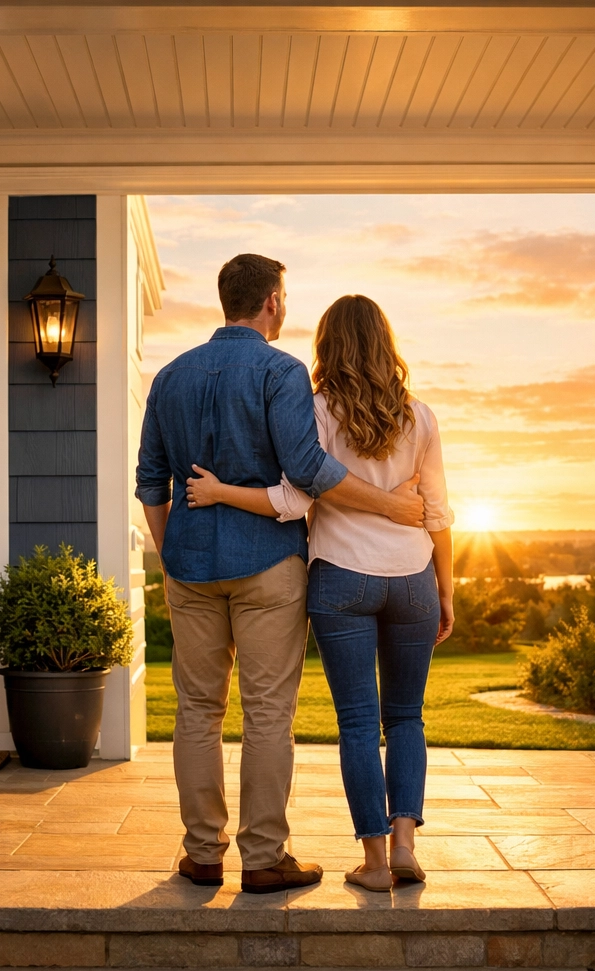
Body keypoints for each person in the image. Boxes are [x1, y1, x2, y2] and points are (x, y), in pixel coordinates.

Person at [136, 256, 426, 895]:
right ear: (271, 301)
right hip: (270, 564)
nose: (286, 305)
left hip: (190, 567)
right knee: (268, 712)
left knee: (196, 712)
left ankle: (201, 854)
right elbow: (307, 470)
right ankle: (264, 858)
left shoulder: (168, 377)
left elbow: (149, 481)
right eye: (285, 296)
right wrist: (392, 505)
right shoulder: (281, 372)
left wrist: (172, 555)